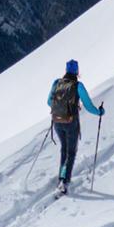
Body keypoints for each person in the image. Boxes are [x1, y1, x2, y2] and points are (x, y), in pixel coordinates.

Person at [47, 59, 103, 196]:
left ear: (66, 70)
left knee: (64, 149)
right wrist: (100, 112)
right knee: (70, 152)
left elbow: (49, 101)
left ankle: (62, 176)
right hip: (71, 122)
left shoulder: (56, 83)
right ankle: (64, 182)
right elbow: (89, 106)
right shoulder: (78, 86)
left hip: (57, 121)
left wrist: (60, 109)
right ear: (77, 71)